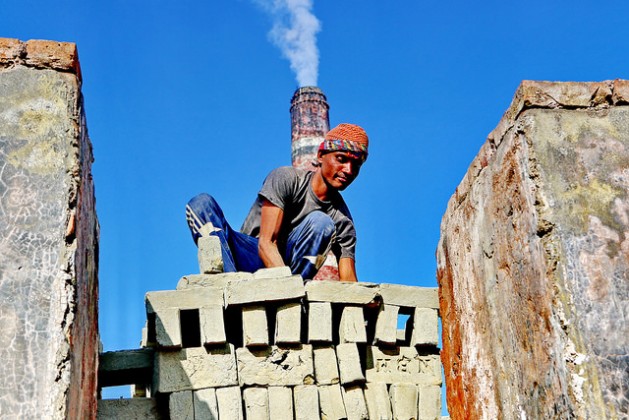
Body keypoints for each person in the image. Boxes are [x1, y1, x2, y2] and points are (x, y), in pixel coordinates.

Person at [186, 123, 368, 281]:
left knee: (322, 223)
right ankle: (228, 286)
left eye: (356, 165)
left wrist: (369, 302)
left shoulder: (342, 222)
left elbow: (348, 279)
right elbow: (266, 243)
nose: (348, 170)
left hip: (292, 273)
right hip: (250, 256)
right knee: (201, 204)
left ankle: (290, 301)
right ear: (321, 155)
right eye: (341, 159)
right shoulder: (286, 179)